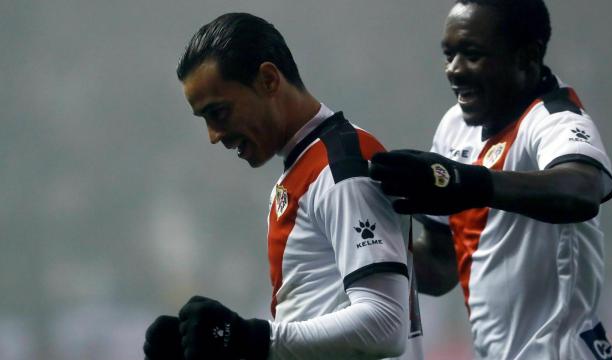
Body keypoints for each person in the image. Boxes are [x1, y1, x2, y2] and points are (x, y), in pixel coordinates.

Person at [143, 13, 424, 360]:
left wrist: (249, 338)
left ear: (268, 80)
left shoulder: (341, 168)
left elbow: (385, 325)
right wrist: (222, 347)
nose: (214, 136)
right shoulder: (303, 170)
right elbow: (309, 324)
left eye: (219, 113)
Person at [369, 0, 612, 359]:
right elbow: (441, 268)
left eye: (471, 54)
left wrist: (467, 183)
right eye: (448, 54)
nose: (453, 70)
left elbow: (582, 190)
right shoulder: (455, 126)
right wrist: (363, 249)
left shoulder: (556, 119)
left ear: (526, 56)